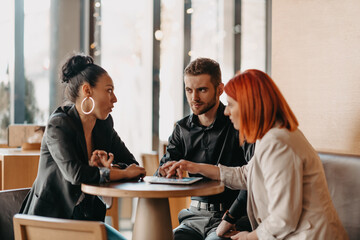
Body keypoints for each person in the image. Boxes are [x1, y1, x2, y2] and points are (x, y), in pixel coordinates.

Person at [166, 69, 348, 240]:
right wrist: (194, 167)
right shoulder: (270, 136)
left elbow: (283, 219)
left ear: (249, 106)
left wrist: (249, 236)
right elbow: (247, 175)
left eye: (230, 105)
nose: (227, 111)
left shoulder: (278, 142)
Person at [20, 54, 146, 240]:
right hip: (50, 223)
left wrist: (109, 170)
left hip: (87, 222)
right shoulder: (59, 125)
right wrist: (119, 173)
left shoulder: (104, 125)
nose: (115, 99)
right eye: (109, 91)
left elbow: (133, 165)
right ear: (87, 90)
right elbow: (75, 174)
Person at [157, 58, 254, 240]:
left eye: (202, 90)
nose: (194, 98)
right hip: (192, 217)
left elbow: (253, 178)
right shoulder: (181, 128)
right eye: (189, 90)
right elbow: (162, 172)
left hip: (234, 217)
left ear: (219, 89)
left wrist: (231, 216)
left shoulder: (238, 124)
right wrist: (165, 172)